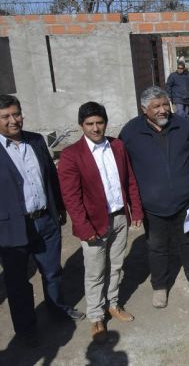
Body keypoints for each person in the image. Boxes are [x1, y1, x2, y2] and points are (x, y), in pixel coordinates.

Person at [0, 94, 84, 346]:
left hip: (45, 220)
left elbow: (51, 176)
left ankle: (57, 309)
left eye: (17, 114)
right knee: (17, 282)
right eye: (6, 117)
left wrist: (59, 207)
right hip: (11, 228)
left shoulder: (35, 141)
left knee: (52, 271)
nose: (14, 120)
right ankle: (26, 330)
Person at [58, 101, 144, 343]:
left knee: (116, 265)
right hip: (93, 223)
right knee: (95, 272)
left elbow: (130, 181)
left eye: (99, 123)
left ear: (105, 123)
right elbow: (71, 197)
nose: (95, 128)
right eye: (90, 124)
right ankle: (96, 316)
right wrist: (84, 228)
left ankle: (113, 304)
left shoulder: (117, 146)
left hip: (118, 217)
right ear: (81, 126)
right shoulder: (71, 155)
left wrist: (135, 210)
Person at [119, 86, 189, 309]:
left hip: (185, 201)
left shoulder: (183, 125)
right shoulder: (131, 132)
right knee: (157, 247)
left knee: (188, 241)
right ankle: (159, 286)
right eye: (156, 106)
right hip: (153, 205)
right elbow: (123, 168)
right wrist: (132, 203)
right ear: (143, 109)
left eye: (164, 105)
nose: (162, 110)